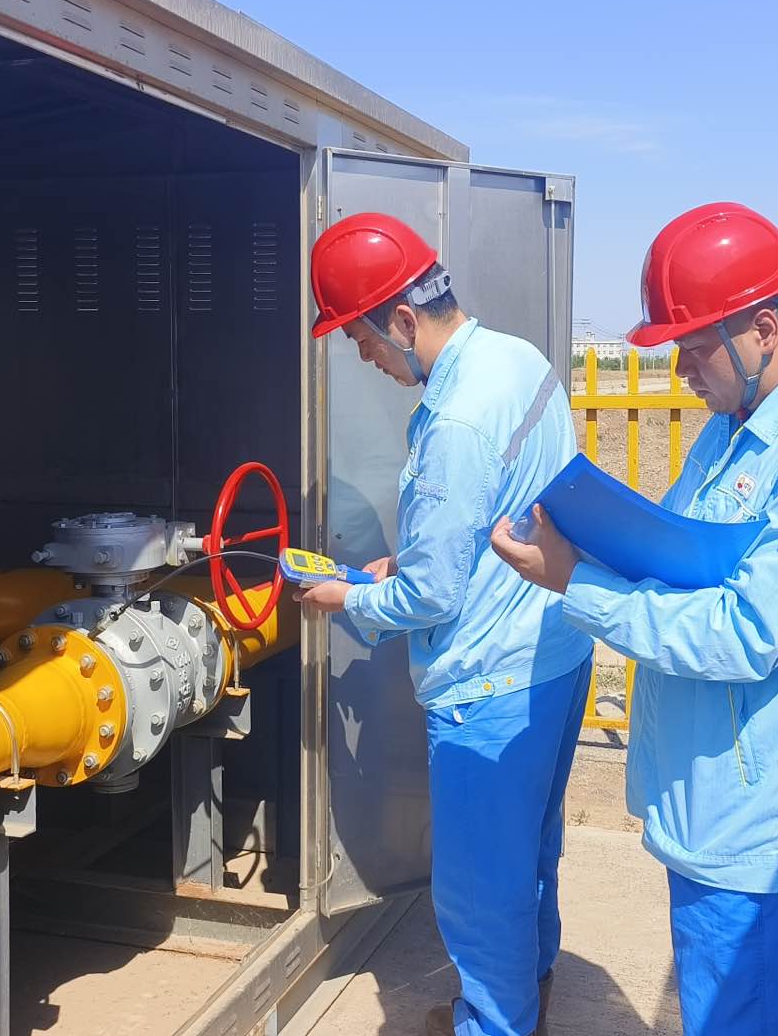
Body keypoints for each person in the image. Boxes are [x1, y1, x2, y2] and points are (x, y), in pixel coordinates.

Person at [491, 202, 778, 1035]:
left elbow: (746, 631)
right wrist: (593, 544)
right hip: (718, 805)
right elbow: (683, 557)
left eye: (691, 344)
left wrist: (578, 584)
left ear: (763, 330)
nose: (679, 367)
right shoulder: (732, 431)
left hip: (764, 832)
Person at [295, 212, 594, 1036]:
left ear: (402, 318)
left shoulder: (456, 417)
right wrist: (411, 560)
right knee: (529, 855)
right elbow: (503, 514)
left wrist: (346, 599)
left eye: (363, 340)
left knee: (478, 889)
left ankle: (493, 1024)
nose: (365, 357)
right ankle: (528, 995)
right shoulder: (518, 359)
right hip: (555, 656)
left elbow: (431, 598)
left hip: (489, 687)